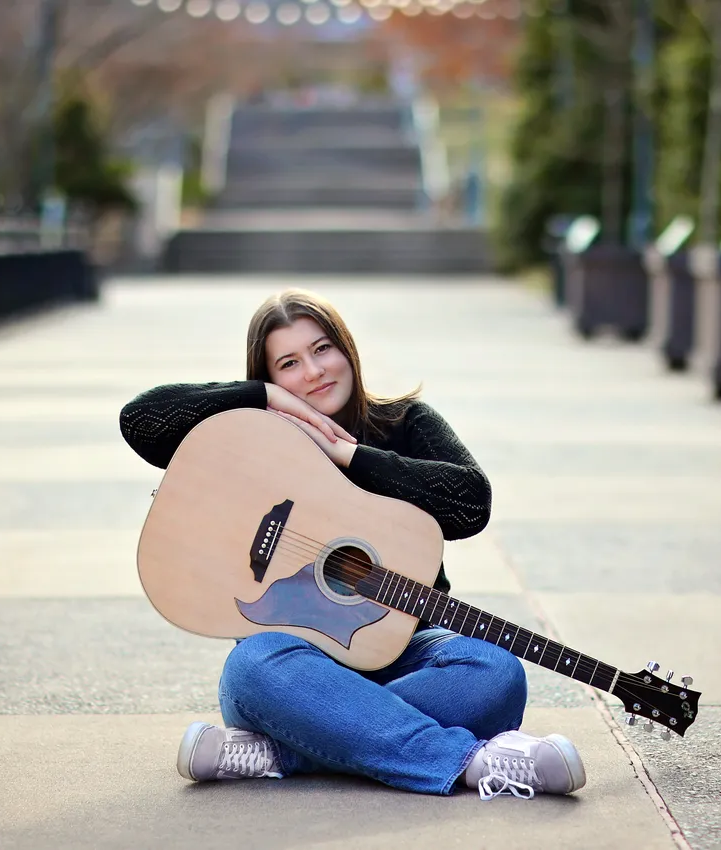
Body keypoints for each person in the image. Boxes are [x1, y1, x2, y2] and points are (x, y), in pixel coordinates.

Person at [119, 288, 586, 801]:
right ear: (268, 375)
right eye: (289, 363)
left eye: (322, 350)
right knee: (251, 668)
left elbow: (471, 505)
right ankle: (471, 763)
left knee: (497, 673)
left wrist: (348, 454)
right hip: (292, 665)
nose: (314, 372)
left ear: (346, 350)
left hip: (410, 651)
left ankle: (286, 749)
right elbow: (141, 420)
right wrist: (267, 399)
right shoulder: (255, 440)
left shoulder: (405, 423)